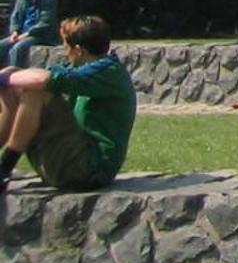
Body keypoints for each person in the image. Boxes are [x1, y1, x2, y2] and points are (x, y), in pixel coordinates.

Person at [0, 15, 136, 195]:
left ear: (78, 50)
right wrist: (7, 75)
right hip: (69, 163)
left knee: (35, 90)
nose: (64, 51)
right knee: (14, 79)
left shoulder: (108, 71)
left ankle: (4, 168)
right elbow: (33, 76)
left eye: (65, 45)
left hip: (88, 171)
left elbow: (42, 80)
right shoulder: (80, 67)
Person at [7, 0, 57, 69]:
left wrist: (27, 34)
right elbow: (15, 18)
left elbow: (46, 22)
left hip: (42, 35)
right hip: (22, 34)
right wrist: (14, 32)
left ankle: (14, 79)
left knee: (17, 49)